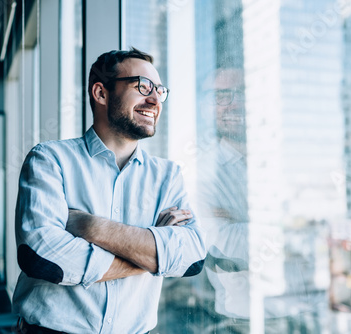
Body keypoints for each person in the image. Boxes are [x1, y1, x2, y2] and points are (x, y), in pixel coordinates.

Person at [12, 48, 207, 334]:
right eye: (143, 86)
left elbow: (192, 258)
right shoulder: (50, 159)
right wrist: (154, 253)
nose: (154, 100)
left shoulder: (168, 175)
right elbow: (43, 260)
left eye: (160, 91)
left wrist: (91, 227)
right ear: (101, 93)